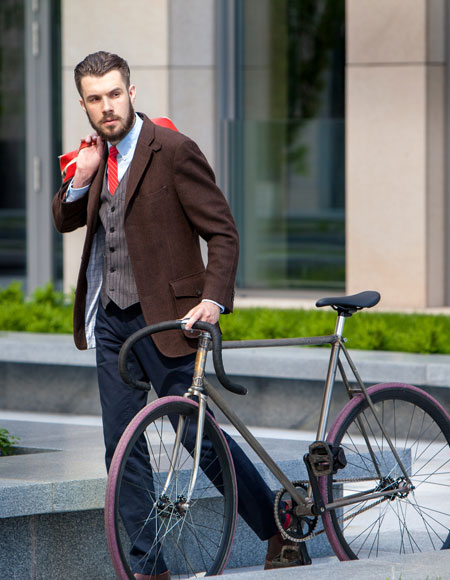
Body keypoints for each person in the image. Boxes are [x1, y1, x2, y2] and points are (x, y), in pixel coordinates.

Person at [52, 51, 307, 579]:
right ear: (83, 103)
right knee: (121, 450)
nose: (107, 107)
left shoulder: (173, 150)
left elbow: (224, 232)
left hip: (171, 322)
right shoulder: (96, 156)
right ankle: (150, 567)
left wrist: (212, 299)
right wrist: (83, 176)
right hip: (113, 322)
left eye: (114, 94)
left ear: (132, 91)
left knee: (200, 440)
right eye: (95, 99)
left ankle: (277, 528)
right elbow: (65, 217)